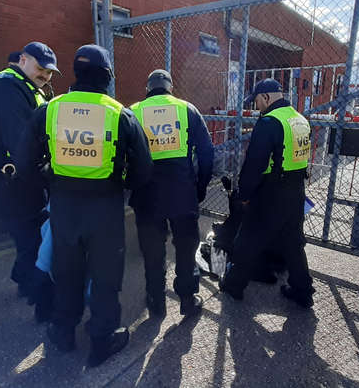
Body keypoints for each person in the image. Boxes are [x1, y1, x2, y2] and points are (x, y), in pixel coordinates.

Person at [15, 44, 152, 367]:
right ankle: (102, 341)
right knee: (105, 277)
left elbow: (24, 162)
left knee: (67, 271)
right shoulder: (120, 113)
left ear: (76, 73)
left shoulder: (50, 109)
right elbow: (144, 170)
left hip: (64, 206)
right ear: (106, 76)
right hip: (105, 208)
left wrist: (51, 183)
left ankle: (63, 332)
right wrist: (122, 183)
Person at [220, 78, 315, 308]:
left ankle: (233, 286)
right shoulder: (299, 119)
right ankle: (303, 290)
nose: (256, 107)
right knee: (293, 243)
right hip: (296, 190)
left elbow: (255, 164)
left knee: (248, 239)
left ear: (266, 97)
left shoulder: (269, 122)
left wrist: (243, 194)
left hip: (272, 191)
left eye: (257, 101)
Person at [0, 41, 58, 297]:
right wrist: (49, 175)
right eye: (41, 68)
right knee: (30, 238)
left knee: (32, 236)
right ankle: (35, 292)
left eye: (50, 71)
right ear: (23, 60)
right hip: (11, 180)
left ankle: (24, 279)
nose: (45, 75)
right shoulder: (5, 86)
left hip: (23, 178)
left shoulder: (29, 87)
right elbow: (21, 140)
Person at [129, 69, 214, 318]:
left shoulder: (132, 111)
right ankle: (188, 298)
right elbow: (207, 153)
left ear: (148, 89)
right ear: (170, 88)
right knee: (186, 248)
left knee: (153, 251)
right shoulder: (187, 109)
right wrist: (200, 186)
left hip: (146, 195)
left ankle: (156, 302)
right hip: (181, 192)